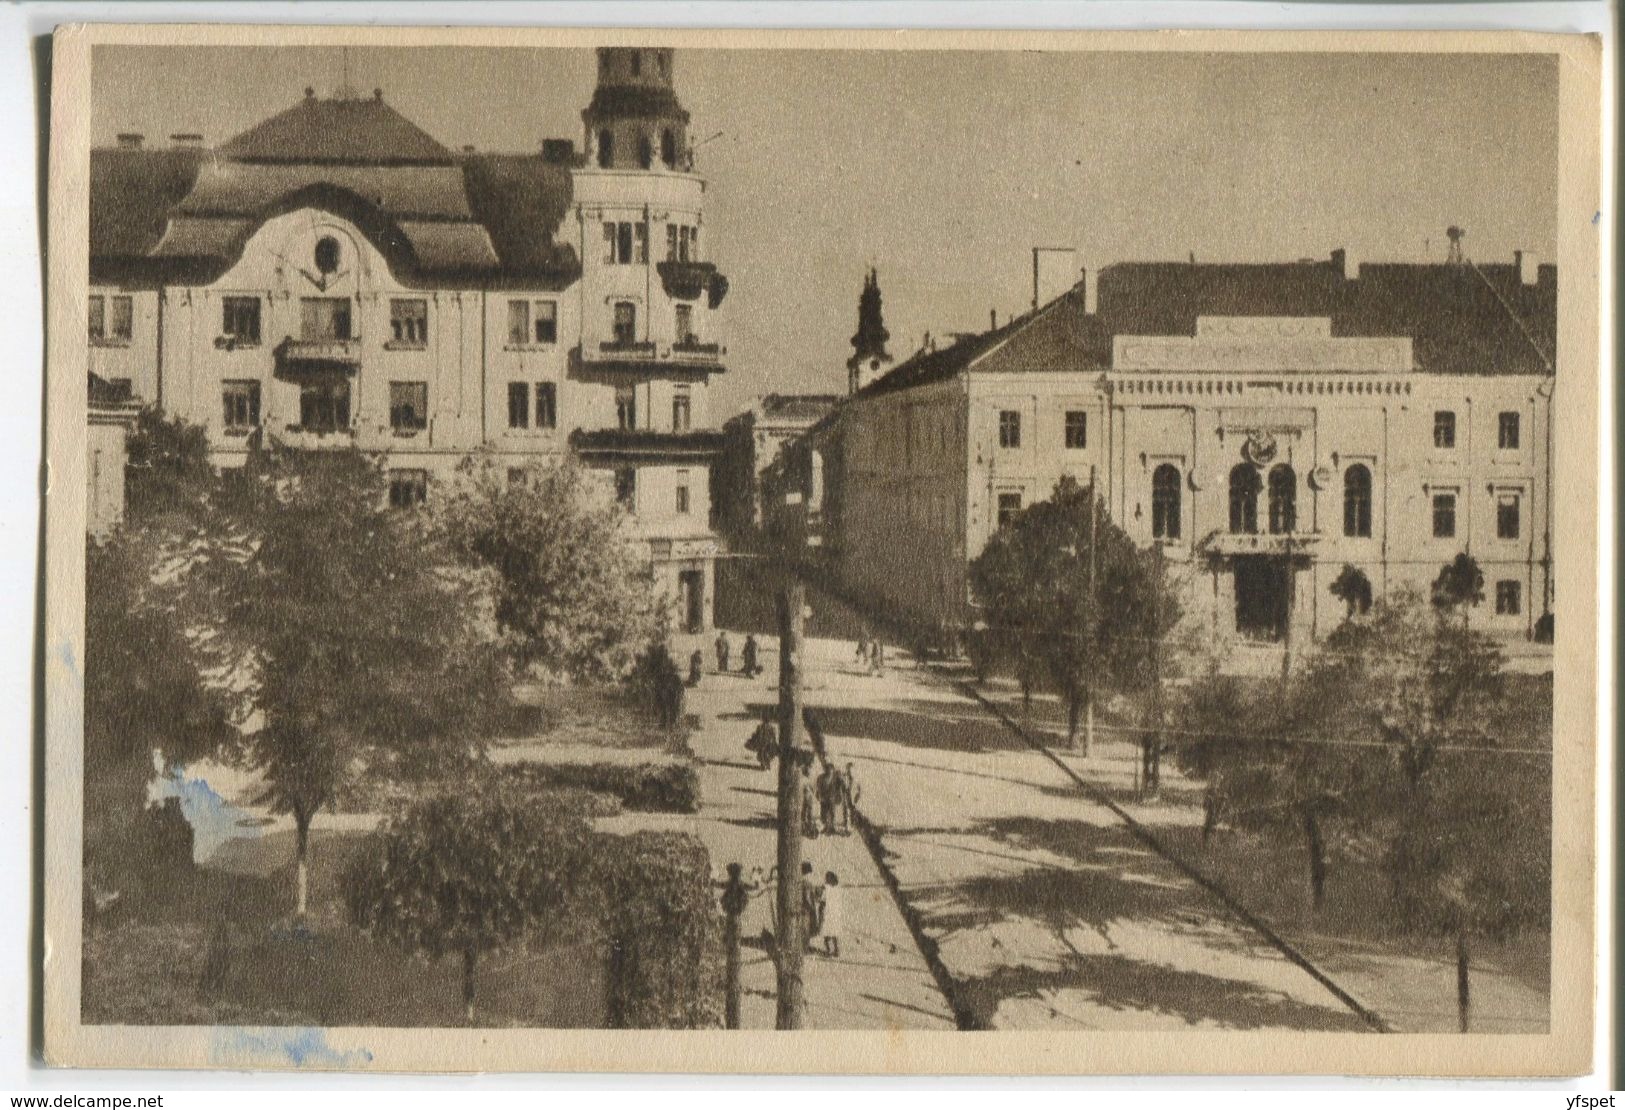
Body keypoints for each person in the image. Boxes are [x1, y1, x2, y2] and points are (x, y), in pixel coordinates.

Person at [799, 861, 825, 950]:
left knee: (804, 928)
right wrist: (811, 906)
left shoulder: (801, 882)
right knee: (806, 928)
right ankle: (804, 947)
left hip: (802, 907)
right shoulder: (807, 883)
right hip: (806, 908)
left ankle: (804, 945)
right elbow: (807, 897)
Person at [821, 872, 844, 958]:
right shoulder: (838, 889)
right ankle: (837, 950)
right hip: (836, 912)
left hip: (828, 913)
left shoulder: (826, 889)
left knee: (827, 934)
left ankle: (829, 951)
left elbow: (822, 901)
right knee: (835, 933)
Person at [836, 762, 861, 835]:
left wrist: (857, 797)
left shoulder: (856, 779)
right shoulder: (844, 777)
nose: (850, 771)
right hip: (846, 796)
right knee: (846, 810)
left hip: (853, 797)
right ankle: (847, 825)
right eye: (848, 770)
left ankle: (851, 824)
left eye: (851, 770)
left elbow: (859, 789)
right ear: (847, 770)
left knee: (852, 811)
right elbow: (840, 785)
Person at [816, 763, 839, 835]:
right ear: (825, 770)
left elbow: (839, 788)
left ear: (833, 770)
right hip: (824, 798)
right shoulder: (821, 777)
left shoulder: (836, 778)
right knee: (824, 813)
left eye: (831, 770)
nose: (829, 771)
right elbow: (818, 788)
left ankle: (833, 827)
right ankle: (826, 827)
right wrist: (819, 796)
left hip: (832, 798)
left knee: (832, 813)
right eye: (828, 769)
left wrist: (838, 797)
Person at [799, 764, 819, 839]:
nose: (809, 772)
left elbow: (814, 789)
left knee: (808, 812)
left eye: (809, 771)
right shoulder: (804, 779)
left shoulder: (809, 779)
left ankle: (807, 825)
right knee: (805, 812)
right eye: (808, 771)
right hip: (806, 797)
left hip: (809, 797)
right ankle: (805, 825)